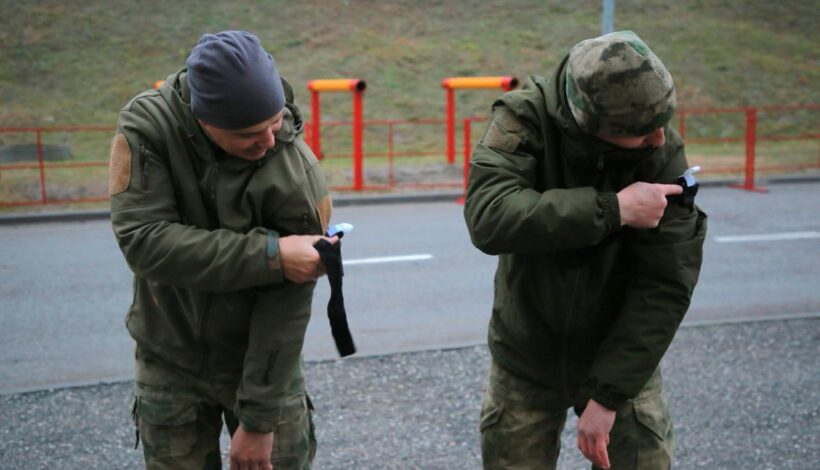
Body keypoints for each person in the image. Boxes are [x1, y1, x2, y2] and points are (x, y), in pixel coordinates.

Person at [463, 31, 707, 469]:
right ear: (595, 127)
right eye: (642, 132)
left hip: (620, 357)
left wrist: (610, 394)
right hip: (526, 356)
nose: (659, 139)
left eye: (661, 124)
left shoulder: (660, 145)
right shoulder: (524, 118)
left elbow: (667, 281)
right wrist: (613, 210)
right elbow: (489, 215)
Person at [108, 30, 335, 469]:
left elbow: (288, 302)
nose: (269, 141)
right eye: (250, 134)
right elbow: (145, 242)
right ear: (203, 121)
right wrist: (273, 256)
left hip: (263, 357)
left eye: (274, 123)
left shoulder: (293, 163)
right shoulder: (149, 128)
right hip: (169, 351)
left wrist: (259, 421)